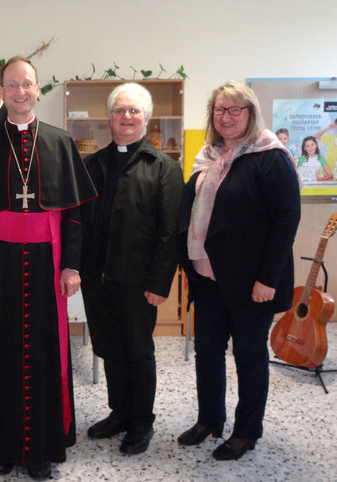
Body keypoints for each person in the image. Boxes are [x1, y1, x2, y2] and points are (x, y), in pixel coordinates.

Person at [0, 56, 97, 480]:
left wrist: (71, 266)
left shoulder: (58, 142)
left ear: (39, 90)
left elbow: (74, 214)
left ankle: (41, 449)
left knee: (42, 351)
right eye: (11, 84)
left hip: (45, 262)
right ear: (1, 89)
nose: (20, 91)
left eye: (27, 84)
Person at [176, 82, 300, 461]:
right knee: (208, 351)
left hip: (251, 282)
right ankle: (209, 419)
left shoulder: (270, 157)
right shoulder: (208, 155)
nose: (226, 117)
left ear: (250, 114)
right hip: (209, 275)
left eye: (234, 110)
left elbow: (286, 220)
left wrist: (267, 279)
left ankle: (247, 430)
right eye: (219, 110)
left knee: (248, 355)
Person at [80, 83, 184, 455]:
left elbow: (171, 231)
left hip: (139, 283)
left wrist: (160, 282)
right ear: (109, 117)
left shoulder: (164, 168)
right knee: (109, 347)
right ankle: (119, 412)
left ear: (146, 117)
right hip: (97, 277)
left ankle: (142, 421)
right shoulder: (91, 164)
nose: (126, 117)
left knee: (138, 351)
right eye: (119, 110)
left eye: (134, 111)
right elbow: (80, 223)